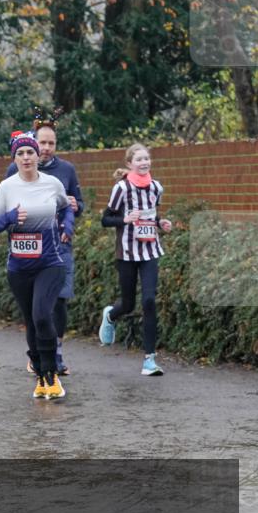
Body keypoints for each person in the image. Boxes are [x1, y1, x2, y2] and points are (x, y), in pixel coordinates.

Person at [0, 131, 73, 400]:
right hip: (19, 269)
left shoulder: (53, 183)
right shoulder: (7, 187)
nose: (26, 158)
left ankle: (51, 374)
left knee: (41, 315)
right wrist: (11, 217)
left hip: (50, 262)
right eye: (20, 154)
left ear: (38, 156)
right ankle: (39, 376)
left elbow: (66, 207)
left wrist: (67, 225)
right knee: (31, 322)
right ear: (15, 158)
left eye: (30, 152)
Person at [5, 108, 83, 375]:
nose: (47, 148)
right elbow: (4, 209)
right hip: (28, 249)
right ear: (32, 143)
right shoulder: (12, 170)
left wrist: (73, 207)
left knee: (59, 301)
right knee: (36, 310)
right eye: (42, 143)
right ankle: (38, 353)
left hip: (59, 246)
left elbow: (77, 204)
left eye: (51, 143)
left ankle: (56, 352)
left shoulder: (67, 170)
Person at [97, 143, 172, 375]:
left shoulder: (156, 187)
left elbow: (152, 214)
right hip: (127, 252)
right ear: (129, 163)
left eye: (146, 159)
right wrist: (125, 219)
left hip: (150, 251)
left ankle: (149, 360)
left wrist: (161, 223)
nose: (144, 163)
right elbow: (105, 219)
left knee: (149, 301)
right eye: (139, 159)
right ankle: (110, 315)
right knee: (128, 304)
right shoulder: (121, 188)